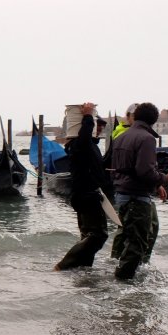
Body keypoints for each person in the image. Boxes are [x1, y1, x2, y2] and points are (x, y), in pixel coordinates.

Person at [109, 102, 168, 280]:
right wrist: (164, 179)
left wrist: (156, 183)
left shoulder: (121, 137)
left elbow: (118, 167)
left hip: (121, 194)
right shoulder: (147, 139)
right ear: (154, 120)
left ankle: (121, 274)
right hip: (137, 196)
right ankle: (123, 282)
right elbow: (144, 171)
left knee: (128, 238)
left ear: (135, 116)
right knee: (138, 243)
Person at [55, 102, 114, 271]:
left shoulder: (90, 146)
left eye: (102, 125)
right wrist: (88, 116)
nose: (100, 128)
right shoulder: (79, 145)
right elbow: (84, 137)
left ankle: (82, 270)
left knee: (88, 236)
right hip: (86, 196)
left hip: (88, 195)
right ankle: (63, 266)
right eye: (98, 125)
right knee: (98, 235)